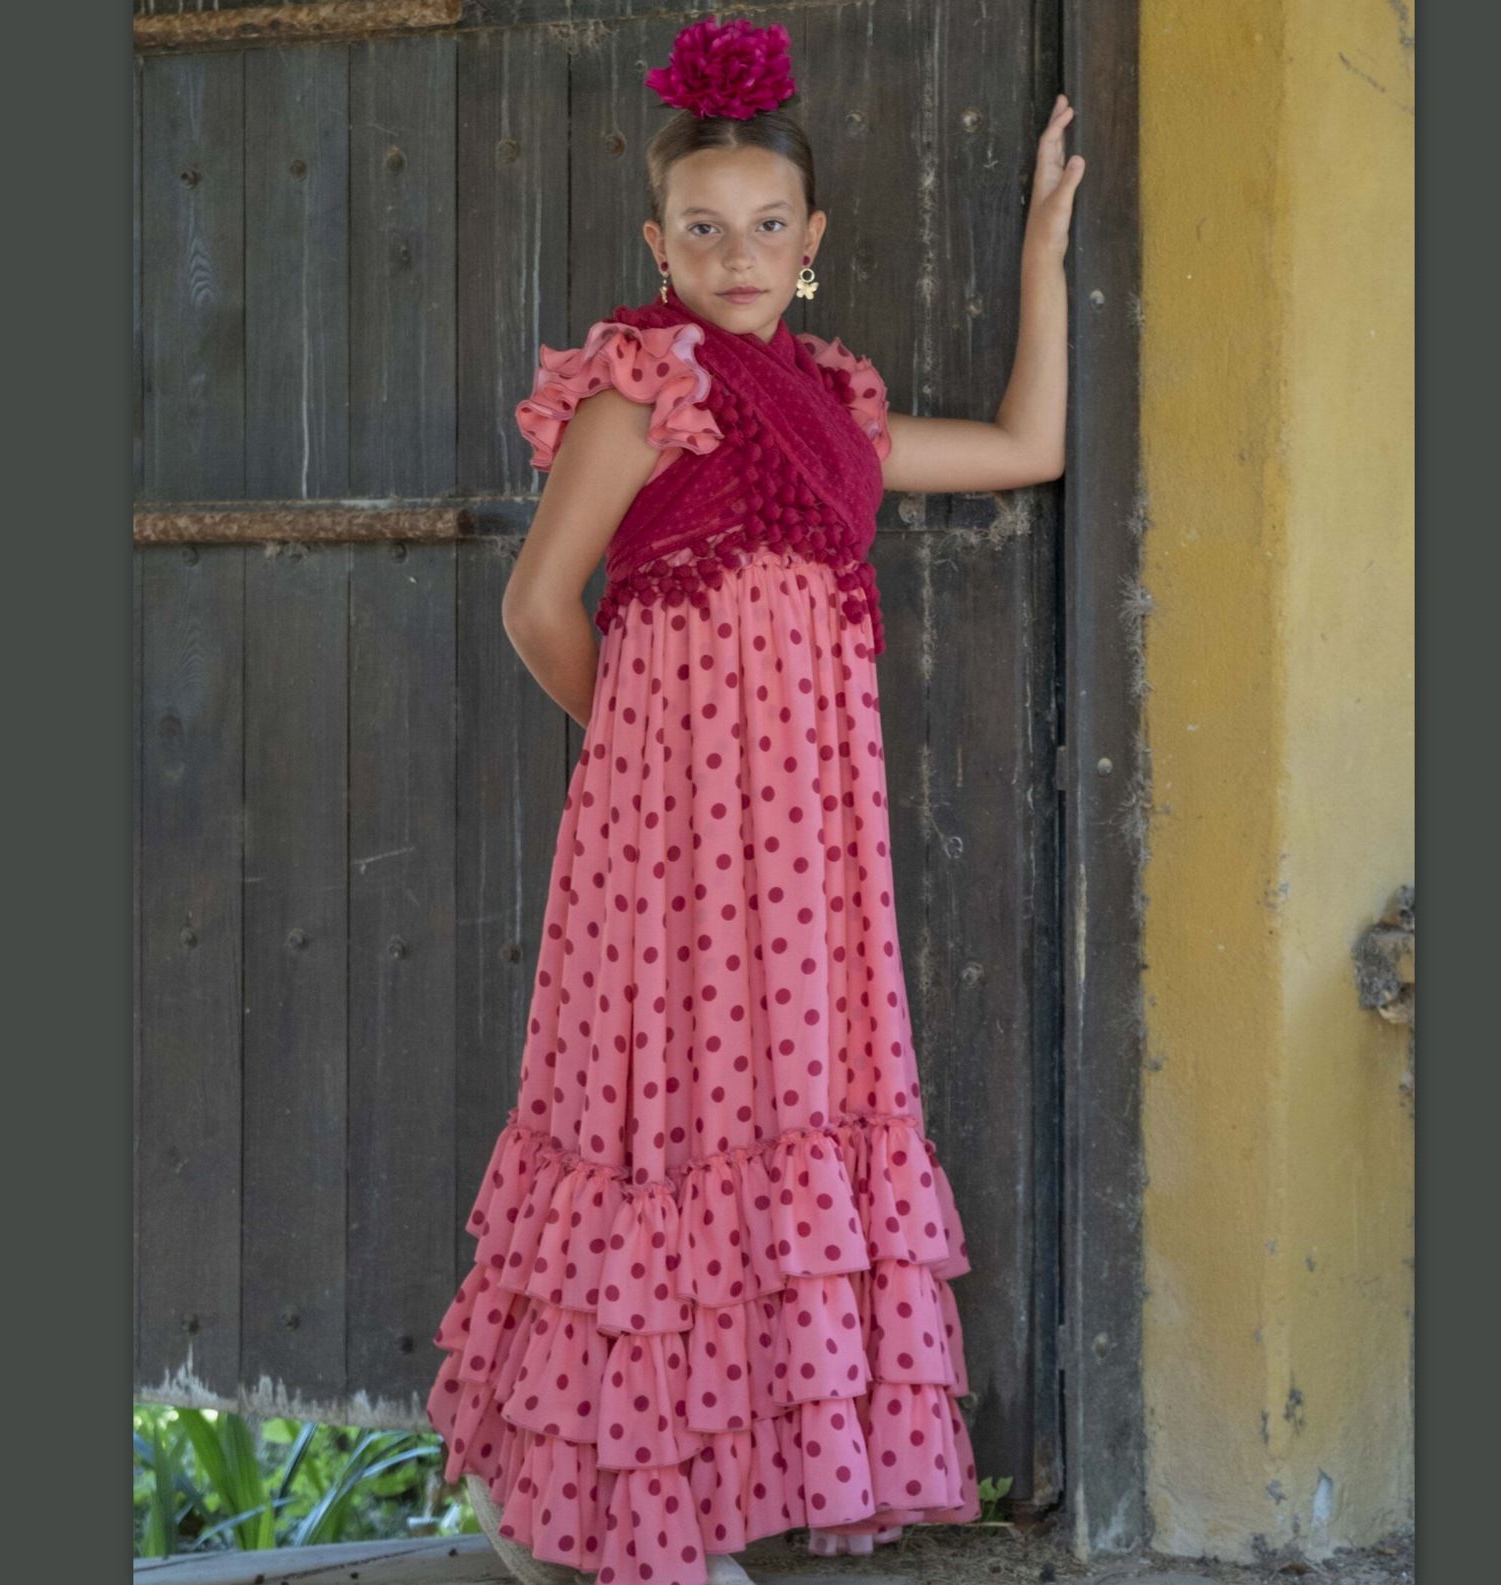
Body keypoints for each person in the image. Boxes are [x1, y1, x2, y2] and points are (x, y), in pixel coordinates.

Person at [425, 16, 1083, 1585]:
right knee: (655, 1128)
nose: (737, 253)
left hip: (808, 855)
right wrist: (651, 763)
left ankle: (699, 1500)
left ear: (812, 243)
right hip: (666, 842)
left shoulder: (839, 408)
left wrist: (1045, 242)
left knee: (775, 1118)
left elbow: (1027, 445)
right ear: (659, 242)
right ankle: (583, 1515)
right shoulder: (637, 392)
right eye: (703, 229)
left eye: (767, 227)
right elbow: (536, 605)